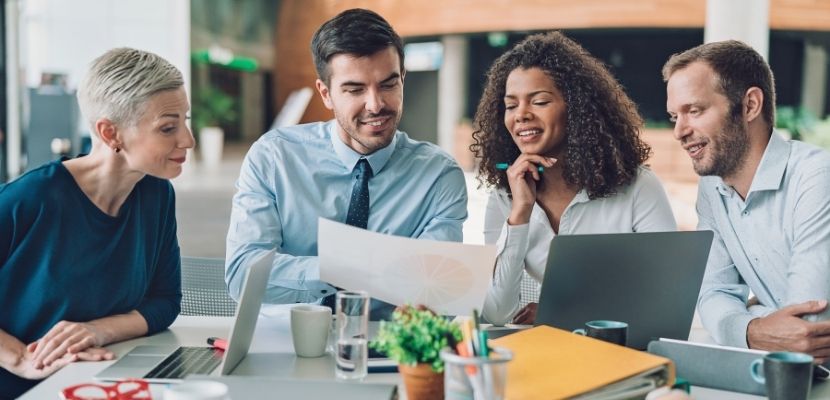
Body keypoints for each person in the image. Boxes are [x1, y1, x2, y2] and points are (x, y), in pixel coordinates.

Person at [225, 9, 467, 319]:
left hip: (388, 340)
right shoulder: (274, 158)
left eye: (388, 85)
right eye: (355, 90)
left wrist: (428, 295)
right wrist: (353, 268)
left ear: (403, 80)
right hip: (289, 337)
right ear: (326, 94)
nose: (375, 104)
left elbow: (436, 291)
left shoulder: (439, 176)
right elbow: (243, 275)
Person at [0, 48, 190, 397]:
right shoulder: (28, 199)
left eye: (185, 121)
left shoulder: (156, 194)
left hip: (95, 380)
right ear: (110, 133)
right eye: (168, 128)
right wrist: (20, 359)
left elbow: (165, 300)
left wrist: (97, 330)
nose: (187, 140)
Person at [472, 32, 677, 326]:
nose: (521, 115)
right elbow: (496, 312)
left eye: (539, 101)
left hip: (620, 347)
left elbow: (666, 297)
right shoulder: (506, 197)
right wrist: (520, 214)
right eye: (511, 105)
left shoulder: (638, 188)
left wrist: (563, 314)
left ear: (577, 108)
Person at [664, 40, 830, 359]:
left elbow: (809, 329)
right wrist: (753, 328)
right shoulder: (712, 188)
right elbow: (712, 293)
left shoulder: (816, 177)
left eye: (694, 111)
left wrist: (745, 315)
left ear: (750, 105)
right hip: (784, 372)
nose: (679, 131)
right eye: (674, 117)